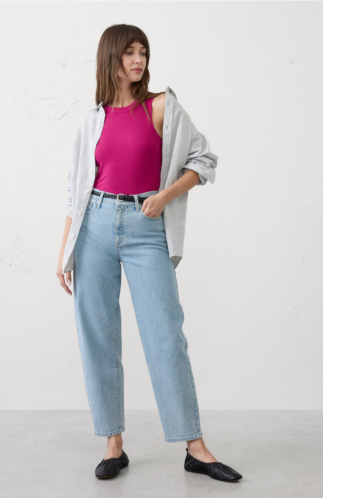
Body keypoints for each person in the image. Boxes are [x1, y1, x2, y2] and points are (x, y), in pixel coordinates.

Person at [57, 24, 242, 483]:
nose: (138, 60)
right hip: (93, 227)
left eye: (143, 52)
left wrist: (164, 196)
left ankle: (194, 447)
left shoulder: (162, 107)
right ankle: (113, 445)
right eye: (129, 53)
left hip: (146, 227)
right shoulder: (92, 121)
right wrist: (64, 252)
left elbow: (203, 160)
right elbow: (75, 192)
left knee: (165, 336)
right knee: (98, 337)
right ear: (111, 59)